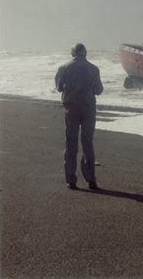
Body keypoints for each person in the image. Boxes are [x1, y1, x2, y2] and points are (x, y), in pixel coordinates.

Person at [55, 43, 104, 190]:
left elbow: (58, 87)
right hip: (88, 107)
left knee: (71, 143)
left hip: (71, 107)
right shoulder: (94, 69)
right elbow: (99, 90)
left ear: (72, 53)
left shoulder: (63, 68)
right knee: (87, 143)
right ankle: (91, 180)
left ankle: (71, 180)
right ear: (85, 53)